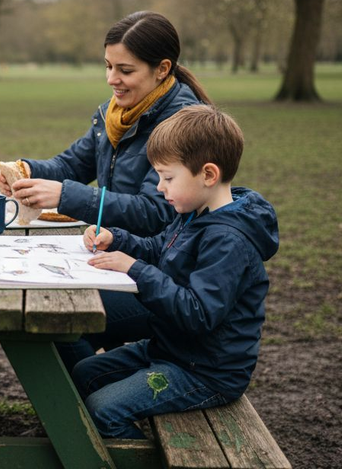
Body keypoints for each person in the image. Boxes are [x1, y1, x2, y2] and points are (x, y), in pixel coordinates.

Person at [0, 11, 211, 372]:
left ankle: (91, 395)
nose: (112, 79)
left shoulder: (185, 123)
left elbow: (156, 212)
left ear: (162, 69)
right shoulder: (113, 115)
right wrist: (27, 171)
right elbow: (71, 165)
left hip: (166, 276)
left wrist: (65, 196)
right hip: (118, 252)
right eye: (108, 66)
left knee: (53, 315)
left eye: (125, 70)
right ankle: (93, 389)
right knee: (42, 302)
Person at [74, 105, 279, 439]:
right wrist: (117, 239)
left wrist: (136, 270)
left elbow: (198, 313)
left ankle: (132, 456)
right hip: (171, 350)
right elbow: (161, 248)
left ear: (208, 175)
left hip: (207, 371)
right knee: (85, 373)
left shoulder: (228, 241)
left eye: (168, 178)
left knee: (102, 411)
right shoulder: (195, 212)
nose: (159, 187)